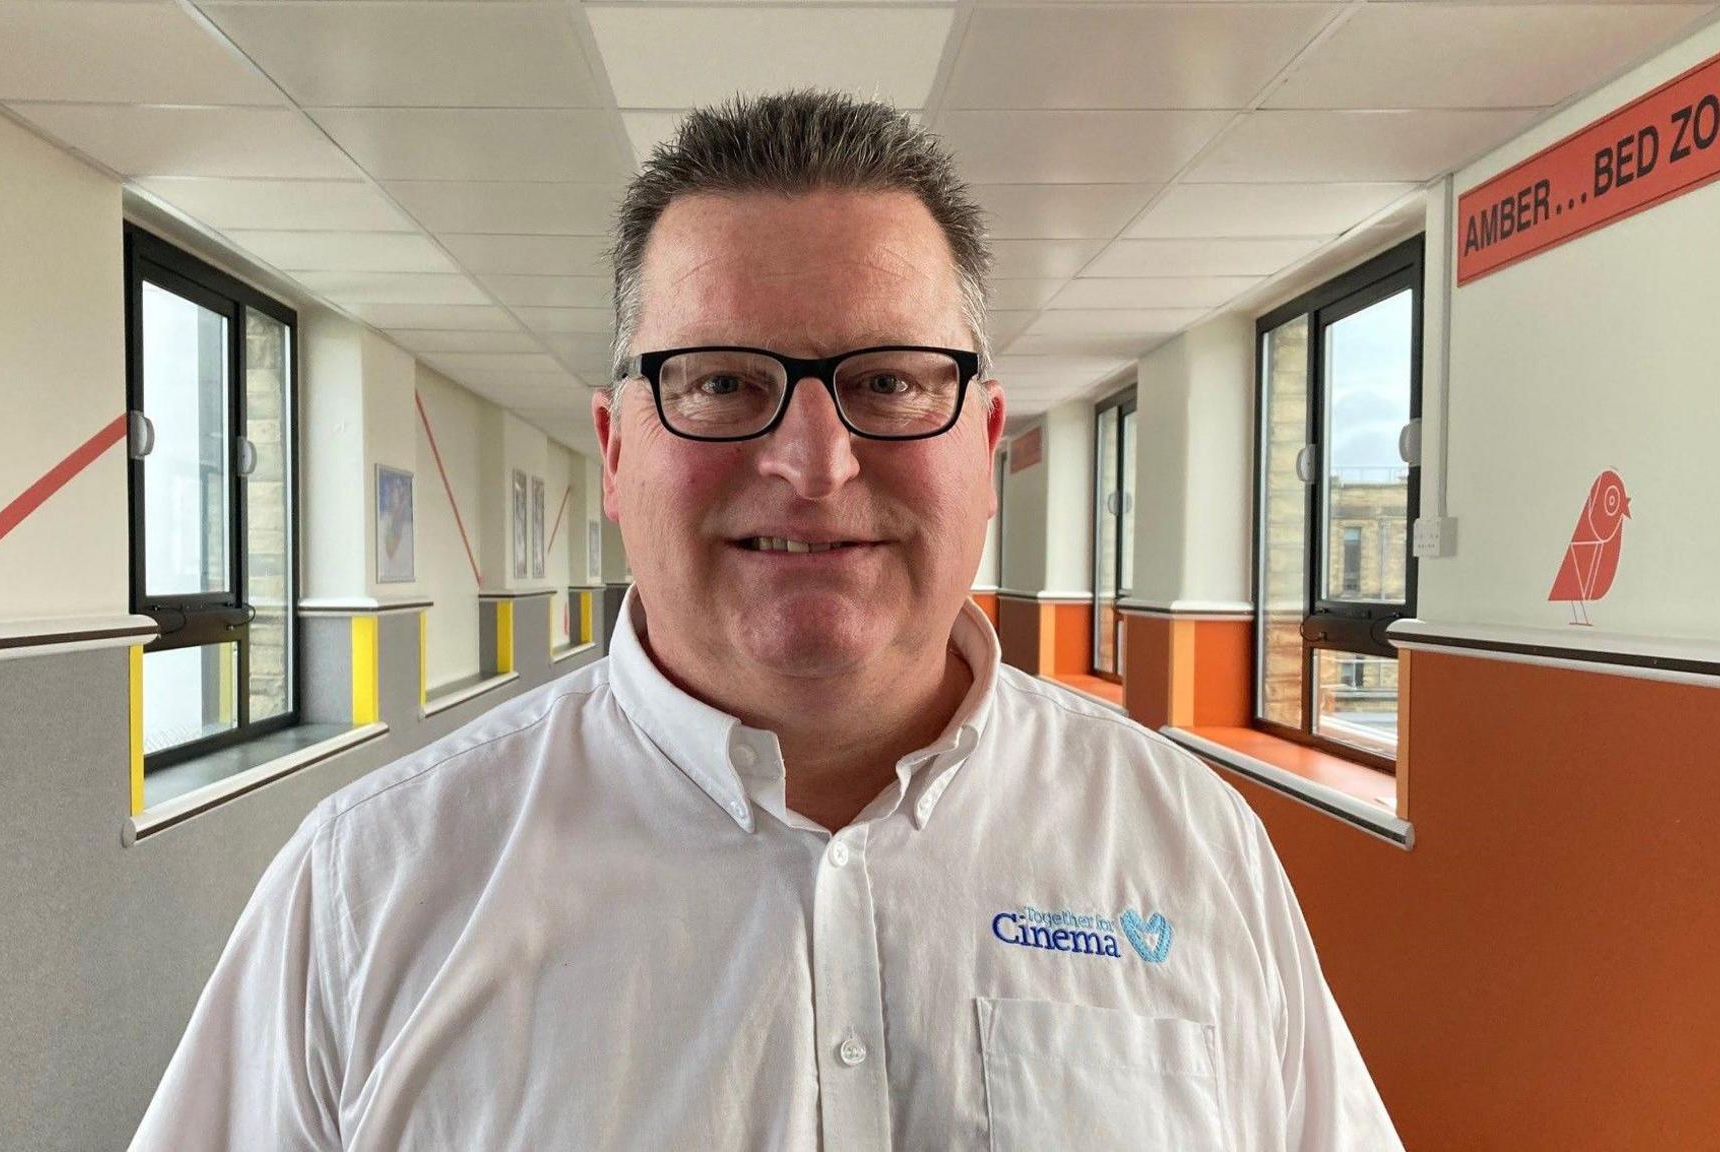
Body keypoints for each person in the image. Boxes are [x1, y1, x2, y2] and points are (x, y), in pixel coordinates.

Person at [130, 90, 1403, 1151]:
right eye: (723, 381)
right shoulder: (370, 890)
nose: (814, 461)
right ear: (616, 447)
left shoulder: (1191, 849)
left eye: (892, 381)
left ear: (987, 439)